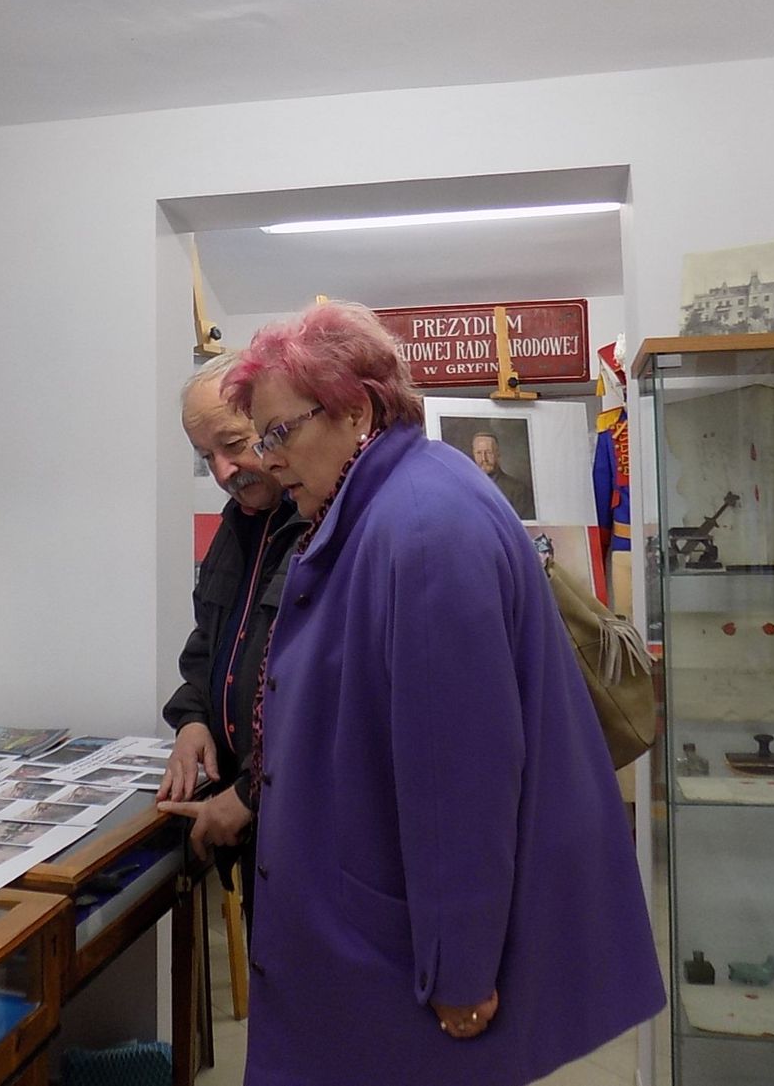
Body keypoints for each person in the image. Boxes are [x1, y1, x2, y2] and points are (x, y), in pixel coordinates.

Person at [222, 300, 664, 1086]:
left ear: (356, 410)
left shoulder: (422, 528)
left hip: (396, 963)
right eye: (262, 438)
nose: (268, 458)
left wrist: (460, 966)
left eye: (280, 432)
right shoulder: (396, 499)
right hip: (374, 930)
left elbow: (461, 778)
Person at [156, 353, 306, 920]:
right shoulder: (235, 523)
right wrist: (193, 720)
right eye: (206, 456)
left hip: (300, 825)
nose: (223, 471)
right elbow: (209, 643)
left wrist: (247, 795)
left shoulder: (324, 524)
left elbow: (323, 698)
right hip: (251, 831)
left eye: (234, 444)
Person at [470, 430, 536, 519]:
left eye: (488, 452)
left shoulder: (518, 491)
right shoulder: (467, 489)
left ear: (498, 453)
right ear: (473, 454)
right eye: (479, 453)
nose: (484, 459)